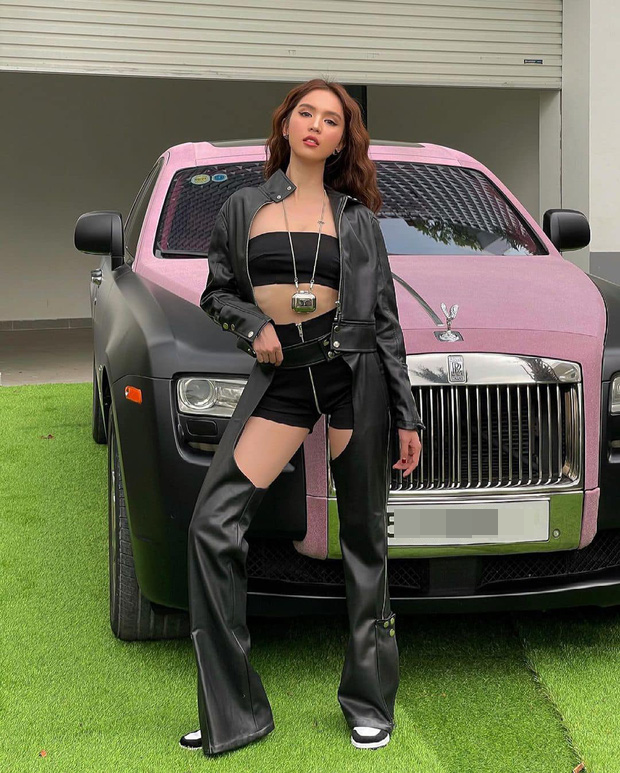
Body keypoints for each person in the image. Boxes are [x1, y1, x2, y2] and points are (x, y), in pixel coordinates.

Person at [181, 77, 425, 756]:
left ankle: (369, 701)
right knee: (212, 526)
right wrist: (253, 323)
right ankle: (233, 708)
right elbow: (217, 291)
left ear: (344, 140)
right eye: (306, 113)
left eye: (332, 120)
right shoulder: (242, 206)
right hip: (285, 379)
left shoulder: (358, 219)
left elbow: (385, 320)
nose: (317, 125)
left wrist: (405, 414)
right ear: (286, 125)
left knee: (365, 539)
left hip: (354, 377)